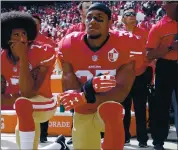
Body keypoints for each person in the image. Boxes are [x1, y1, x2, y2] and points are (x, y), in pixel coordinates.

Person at [58, 3, 145, 150]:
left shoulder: (126, 43)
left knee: (112, 110)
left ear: (110, 23)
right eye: (89, 18)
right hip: (82, 110)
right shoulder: (69, 43)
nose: (92, 21)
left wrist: (85, 95)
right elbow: (70, 87)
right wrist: (86, 91)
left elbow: (121, 91)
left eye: (99, 18)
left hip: (108, 109)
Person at [1, 11, 69, 150]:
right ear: (7, 38)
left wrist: (23, 57)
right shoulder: (2, 58)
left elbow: (28, 91)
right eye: (16, 35)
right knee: (25, 144)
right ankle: (58, 146)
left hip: (44, 102)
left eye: (24, 34)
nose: (22, 38)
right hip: (23, 106)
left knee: (23, 104)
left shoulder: (43, 51)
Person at [146, 1, 178, 150]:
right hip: (167, 66)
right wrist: (171, 47)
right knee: (162, 104)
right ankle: (158, 141)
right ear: (167, 6)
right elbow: (149, 54)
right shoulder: (158, 27)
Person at [121, 7, 151, 148]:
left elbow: (149, 53)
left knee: (139, 109)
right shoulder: (117, 35)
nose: (132, 16)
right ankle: (124, 137)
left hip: (140, 75)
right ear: (123, 19)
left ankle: (142, 139)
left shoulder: (144, 33)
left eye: (133, 14)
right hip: (124, 78)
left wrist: (146, 69)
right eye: (128, 14)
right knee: (123, 110)